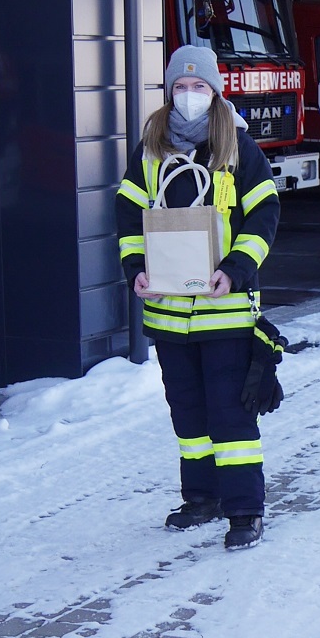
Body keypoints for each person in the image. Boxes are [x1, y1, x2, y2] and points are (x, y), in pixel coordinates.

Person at [116, 44, 280, 550]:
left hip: (224, 312)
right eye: (181, 87)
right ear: (170, 93)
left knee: (231, 417)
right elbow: (128, 215)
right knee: (188, 416)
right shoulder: (151, 149)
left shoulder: (237, 149)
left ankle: (245, 511)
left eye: (200, 87)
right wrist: (135, 270)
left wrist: (237, 270)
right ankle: (201, 498)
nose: (190, 96)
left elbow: (264, 214)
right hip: (169, 315)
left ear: (215, 92)